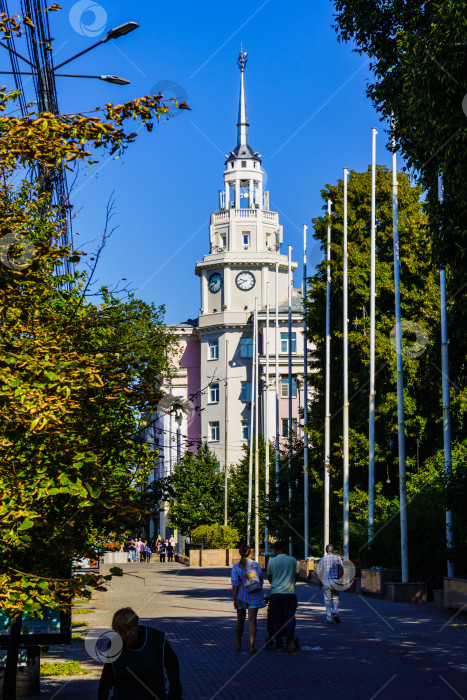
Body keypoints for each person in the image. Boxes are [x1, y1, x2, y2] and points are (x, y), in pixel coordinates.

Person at [97, 607, 183, 700]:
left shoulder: (157, 640)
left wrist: (174, 695)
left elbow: (173, 668)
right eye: (122, 631)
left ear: (136, 624)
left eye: (130, 629)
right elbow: (106, 680)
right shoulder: (115, 647)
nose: (127, 634)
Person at [230, 545, 265, 654]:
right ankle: (251, 647)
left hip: (241, 596)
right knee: (252, 621)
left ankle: (239, 643)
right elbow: (261, 580)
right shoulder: (255, 565)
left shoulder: (236, 567)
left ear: (239, 553)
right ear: (250, 553)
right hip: (254, 596)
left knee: (240, 620)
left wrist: (234, 599)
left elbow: (235, 585)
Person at [267, 541, 299, 653]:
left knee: (277, 619)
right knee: (290, 617)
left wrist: (275, 584)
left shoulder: (271, 561)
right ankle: (290, 637)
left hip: (276, 594)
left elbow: (269, 577)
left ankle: (279, 643)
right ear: (284, 549)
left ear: (275, 550)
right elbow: (296, 575)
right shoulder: (293, 560)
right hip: (290, 594)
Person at [318, 544, 344, 624]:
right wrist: (340, 578)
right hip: (335, 581)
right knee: (335, 598)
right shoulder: (338, 558)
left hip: (326, 581)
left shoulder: (323, 559)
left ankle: (329, 619)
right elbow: (341, 569)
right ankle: (335, 611)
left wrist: (320, 582)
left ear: (326, 550)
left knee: (327, 600)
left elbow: (321, 572)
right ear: (333, 550)